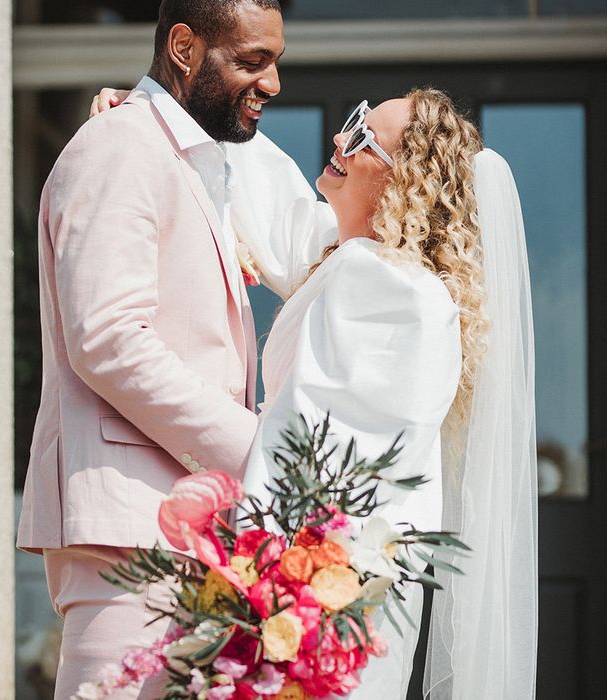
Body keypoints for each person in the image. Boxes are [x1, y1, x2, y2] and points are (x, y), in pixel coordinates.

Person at [92, 73, 536, 700]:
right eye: (356, 117)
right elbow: (276, 206)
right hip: (327, 590)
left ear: (401, 181)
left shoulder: (386, 286)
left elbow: (320, 454)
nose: (340, 137)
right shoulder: (355, 261)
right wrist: (151, 120)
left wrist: (253, 596)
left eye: (363, 137)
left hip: (315, 596)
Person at [15, 1, 287, 698]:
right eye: (252, 62)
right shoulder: (119, 147)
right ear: (185, 47)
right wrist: (258, 451)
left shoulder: (187, 160)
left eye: (275, 62)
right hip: (130, 532)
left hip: (181, 529)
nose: (274, 83)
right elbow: (108, 340)